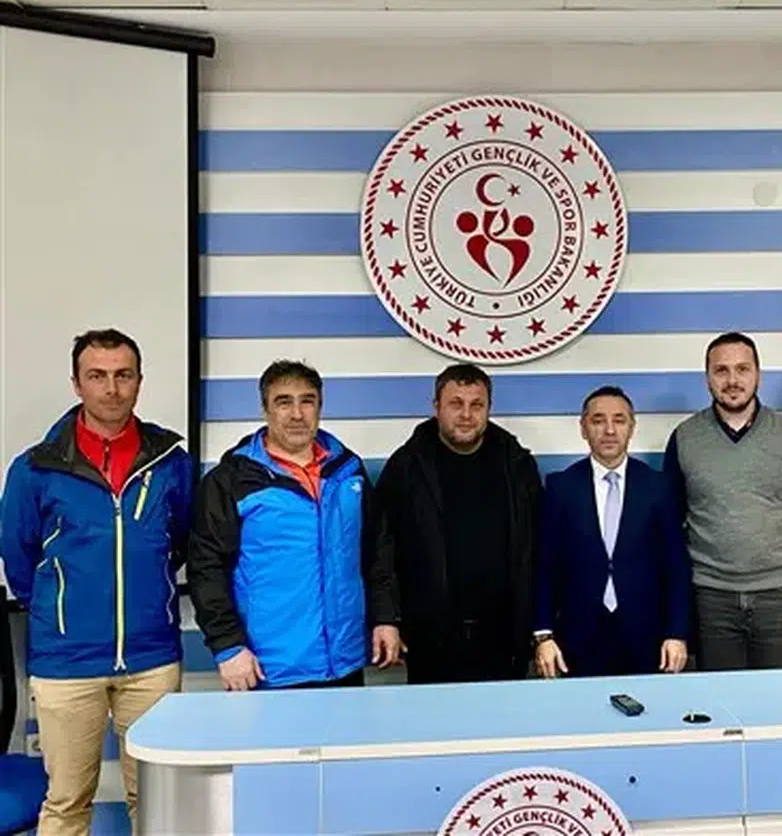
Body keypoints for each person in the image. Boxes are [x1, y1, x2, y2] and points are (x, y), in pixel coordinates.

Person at [0, 329, 192, 835]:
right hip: (66, 663)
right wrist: (58, 611)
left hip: (151, 660)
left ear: (139, 381)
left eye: (123, 375)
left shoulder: (170, 463)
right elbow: (19, 557)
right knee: (66, 802)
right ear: (76, 383)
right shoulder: (35, 469)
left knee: (158, 802)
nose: (111, 388)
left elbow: (180, 541)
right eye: (97, 376)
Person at [187, 360, 401, 691]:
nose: (297, 414)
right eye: (284, 402)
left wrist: (385, 618)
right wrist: (227, 646)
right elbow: (206, 568)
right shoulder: (231, 481)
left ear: (320, 407)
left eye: (307, 401)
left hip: (344, 663)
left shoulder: (348, 470)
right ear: (265, 409)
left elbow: (377, 551)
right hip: (267, 668)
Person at [663, 332, 782, 671]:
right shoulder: (684, 438)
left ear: (758, 375)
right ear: (707, 378)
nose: (732, 380)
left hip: (780, 596)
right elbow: (670, 530)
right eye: (721, 370)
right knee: (721, 698)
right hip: (711, 598)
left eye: (742, 369)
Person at [376, 363, 542, 684]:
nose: (466, 414)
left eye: (476, 405)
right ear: (436, 407)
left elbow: (538, 550)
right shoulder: (405, 468)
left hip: (505, 640)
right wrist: (388, 618)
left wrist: (539, 627)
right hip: (431, 641)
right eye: (456, 404)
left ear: (489, 409)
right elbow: (382, 550)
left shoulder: (517, 465)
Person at [534, 386, 692, 679]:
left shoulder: (658, 487)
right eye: (598, 420)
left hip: (647, 637)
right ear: (583, 428)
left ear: (632, 427)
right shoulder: (560, 487)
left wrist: (677, 633)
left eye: (619, 420)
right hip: (578, 638)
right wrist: (544, 634)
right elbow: (545, 566)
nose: (609, 430)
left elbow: (676, 566)